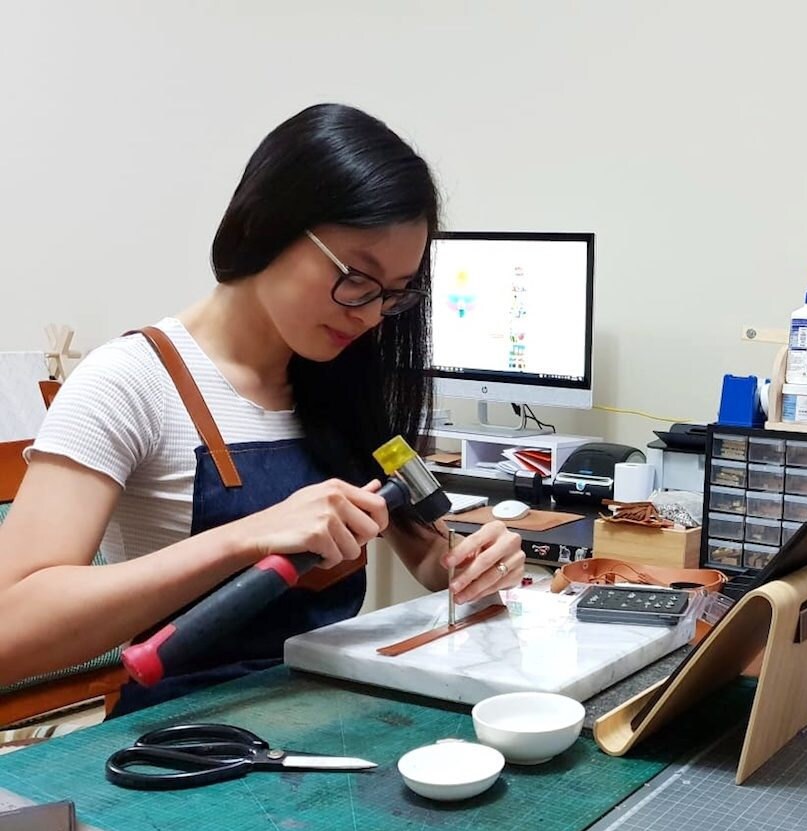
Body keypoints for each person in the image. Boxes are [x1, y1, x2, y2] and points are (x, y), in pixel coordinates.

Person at [0, 103, 525, 713]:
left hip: (335, 719)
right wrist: (245, 537)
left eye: (392, 293)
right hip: (188, 740)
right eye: (356, 276)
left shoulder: (344, 384)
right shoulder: (128, 382)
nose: (369, 315)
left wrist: (475, 560)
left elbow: (430, 550)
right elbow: (10, 629)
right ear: (269, 224)